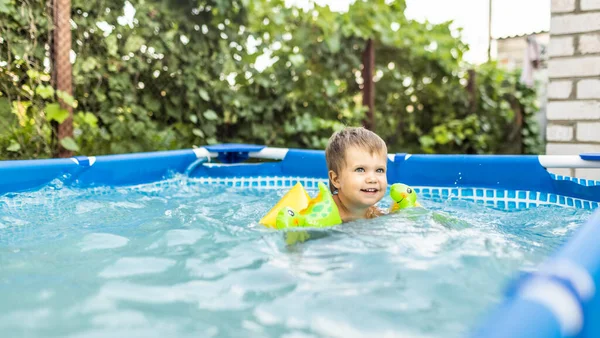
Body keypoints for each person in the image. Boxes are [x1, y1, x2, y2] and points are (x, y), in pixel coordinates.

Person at [325, 126, 388, 222]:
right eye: (360, 170)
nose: (372, 179)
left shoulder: (376, 213)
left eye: (379, 170)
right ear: (336, 179)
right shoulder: (327, 215)